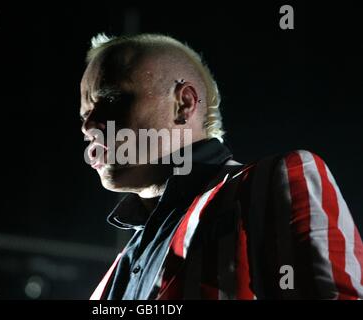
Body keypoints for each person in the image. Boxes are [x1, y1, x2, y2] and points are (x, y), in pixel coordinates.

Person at [79, 33, 363, 299]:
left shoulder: (271, 183)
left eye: (112, 100)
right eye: (85, 114)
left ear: (184, 103)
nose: (89, 125)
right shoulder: (116, 272)